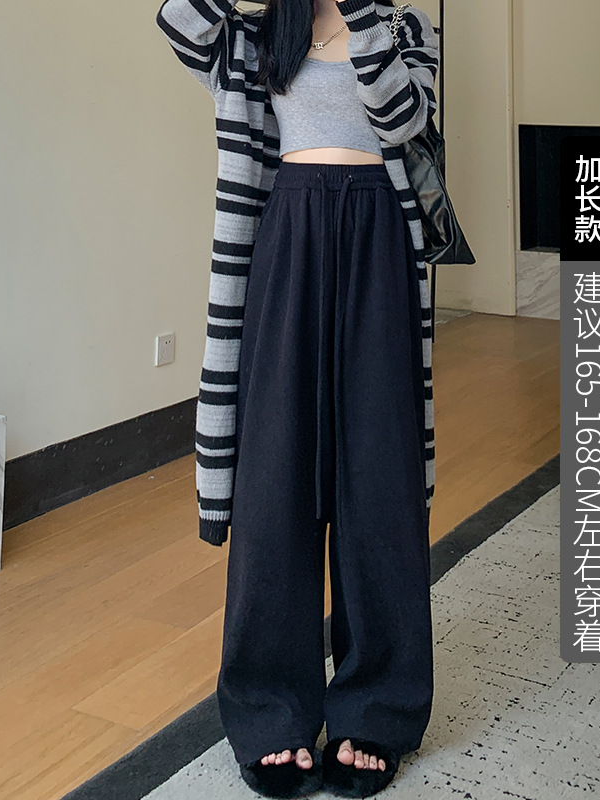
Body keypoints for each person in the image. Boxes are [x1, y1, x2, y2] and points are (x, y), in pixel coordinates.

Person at [155, 0, 439, 795]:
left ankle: (376, 707)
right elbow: (178, 21)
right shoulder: (256, 32)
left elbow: (405, 118)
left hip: (381, 240)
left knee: (379, 475)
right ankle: (269, 710)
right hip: (288, 240)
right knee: (273, 475)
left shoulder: (404, 29)